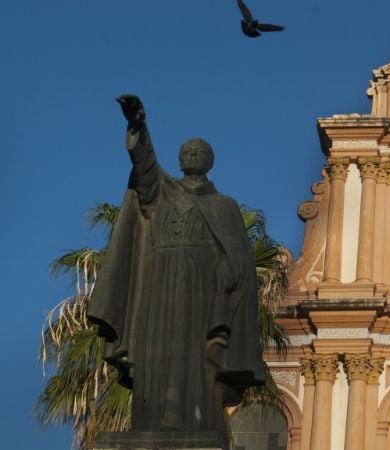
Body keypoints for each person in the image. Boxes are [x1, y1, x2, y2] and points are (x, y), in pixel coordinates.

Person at [88, 94, 264, 437]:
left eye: (199, 151)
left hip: (202, 287)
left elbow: (238, 256)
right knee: (156, 349)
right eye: (187, 151)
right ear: (180, 160)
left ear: (210, 161)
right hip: (159, 280)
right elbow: (145, 167)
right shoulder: (162, 193)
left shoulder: (223, 205)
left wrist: (229, 271)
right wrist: (139, 126)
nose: (192, 154)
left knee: (193, 355)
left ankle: (193, 418)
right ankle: (150, 418)